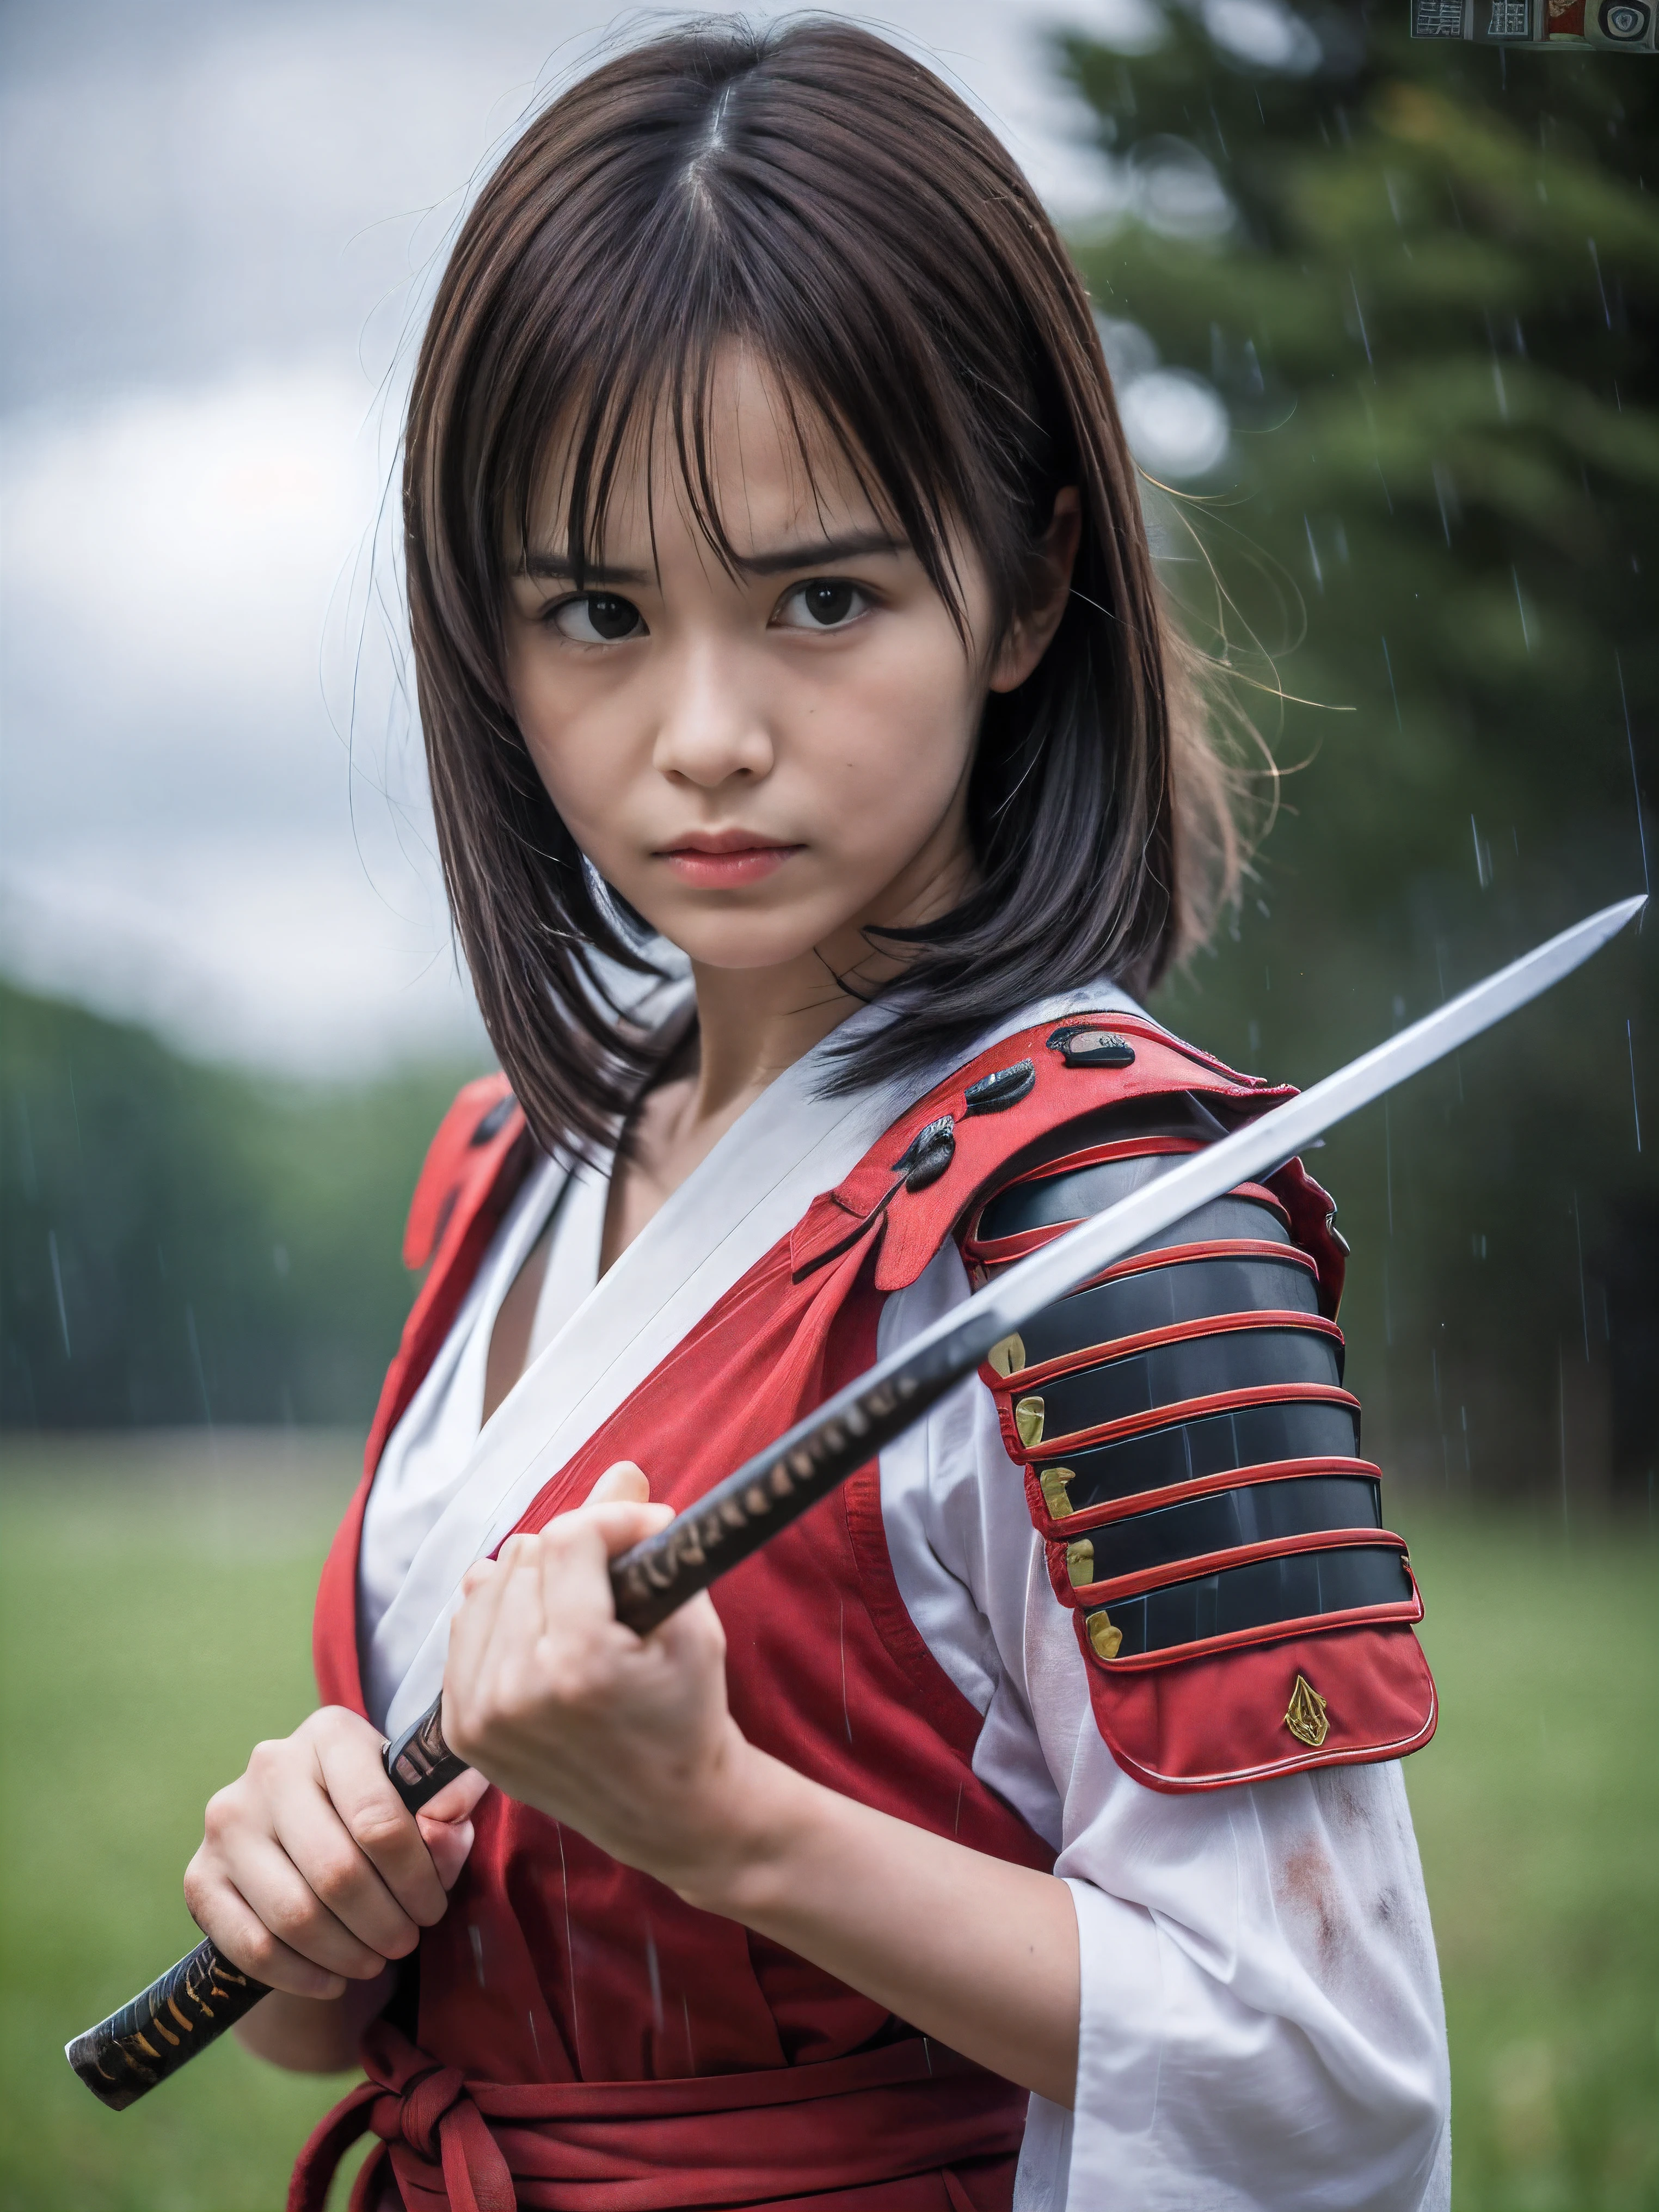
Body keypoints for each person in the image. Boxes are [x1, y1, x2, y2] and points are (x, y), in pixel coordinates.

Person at [182, 23, 1451, 2210]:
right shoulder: (516, 1164)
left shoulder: (1123, 1233)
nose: (701, 736)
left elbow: (1321, 2067)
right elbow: (416, 1987)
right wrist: (308, 1915)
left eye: (824, 599)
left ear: (1030, 581)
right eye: (594, 611)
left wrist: (732, 1818)